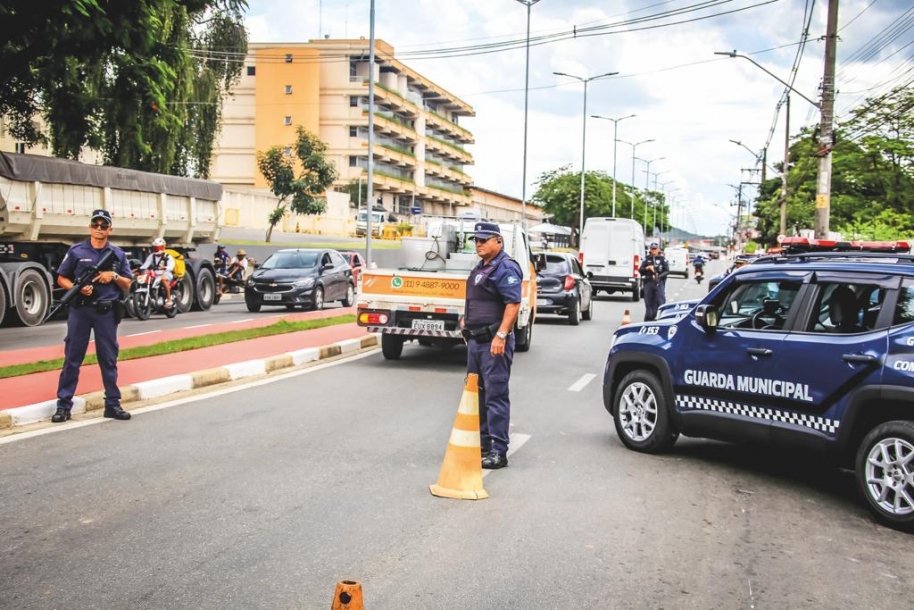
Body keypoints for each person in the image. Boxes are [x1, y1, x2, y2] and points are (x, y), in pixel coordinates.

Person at [52, 209, 134, 423]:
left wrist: (114, 276)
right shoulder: (77, 251)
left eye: (103, 225)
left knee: (108, 358)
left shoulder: (118, 254)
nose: (99, 229)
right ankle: (63, 406)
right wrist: (79, 289)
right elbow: (62, 278)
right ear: (90, 227)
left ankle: (113, 404)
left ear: (110, 229)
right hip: (80, 310)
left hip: (106, 312)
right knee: (72, 358)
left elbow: (128, 283)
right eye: (95, 225)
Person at [459, 222, 522, 470]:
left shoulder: (505, 267)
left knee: (495, 395)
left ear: (499, 241)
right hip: (476, 341)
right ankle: (484, 443)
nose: (479, 243)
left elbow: (513, 304)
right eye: (476, 239)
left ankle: (498, 450)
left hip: (494, 342)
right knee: (477, 393)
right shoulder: (481, 267)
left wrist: (502, 335)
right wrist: (466, 322)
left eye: (484, 239)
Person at [139, 237, 175, 309]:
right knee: (144, 278)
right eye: (155, 248)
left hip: (166, 274)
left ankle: (169, 299)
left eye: (158, 248)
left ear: (163, 247)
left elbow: (171, 266)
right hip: (155, 274)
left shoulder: (168, 256)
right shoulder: (151, 256)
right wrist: (139, 269)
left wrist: (164, 267)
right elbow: (145, 265)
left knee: (163, 279)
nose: (156, 250)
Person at [640, 242, 669, 321]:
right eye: (652, 249)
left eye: (655, 249)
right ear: (650, 249)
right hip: (649, 282)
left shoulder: (662, 259)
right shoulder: (647, 259)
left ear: (658, 249)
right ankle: (649, 317)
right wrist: (647, 268)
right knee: (648, 301)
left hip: (659, 283)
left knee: (660, 300)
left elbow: (667, 271)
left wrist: (659, 276)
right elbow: (640, 270)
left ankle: (662, 317)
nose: (653, 250)